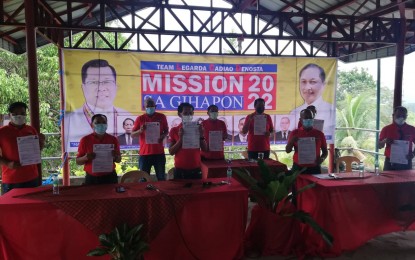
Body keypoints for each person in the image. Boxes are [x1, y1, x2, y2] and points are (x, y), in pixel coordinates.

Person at [65, 59, 130, 151]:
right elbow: (79, 160)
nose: (101, 88)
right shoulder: (69, 121)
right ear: (83, 88)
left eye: (107, 81)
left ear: (116, 86)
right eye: (93, 82)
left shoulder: (127, 116)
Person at [0, 102, 45, 195]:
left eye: (22, 113)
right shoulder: (2, 132)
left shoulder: (31, 130)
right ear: (9, 115)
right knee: (11, 209)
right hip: (11, 179)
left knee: (33, 208)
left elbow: (37, 150)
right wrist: (8, 164)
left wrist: (41, 143)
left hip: (32, 177)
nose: (19, 116)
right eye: (15, 114)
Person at [290, 63, 335, 137]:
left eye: (313, 82)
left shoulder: (330, 111)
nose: (307, 87)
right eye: (303, 82)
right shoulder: (294, 112)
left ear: (323, 84)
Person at [76, 114, 121, 185]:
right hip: (92, 178)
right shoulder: (85, 140)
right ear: (92, 125)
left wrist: (115, 156)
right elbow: (78, 161)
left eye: (104, 122)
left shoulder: (113, 139)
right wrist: (85, 158)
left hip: (110, 177)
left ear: (107, 125)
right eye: (97, 123)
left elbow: (118, 160)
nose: (101, 125)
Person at [132, 97, 169, 181]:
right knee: (143, 179)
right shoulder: (140, 119)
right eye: (148, 106)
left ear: (155, 106)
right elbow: (132, 135)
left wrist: (163, 136)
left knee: (161, 178)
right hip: (145, 154)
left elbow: (166, 131)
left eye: (152, 106)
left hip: (159, 153)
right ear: (144, 107)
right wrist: (140, 130)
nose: (150, 108)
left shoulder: (162, 117)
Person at [168, 102, 208, 179]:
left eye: (190, 113)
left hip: (196, 170)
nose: (188, 115)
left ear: (193, 114)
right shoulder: (174, 130)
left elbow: (205, 149)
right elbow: (171, 152)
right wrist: (180, 139)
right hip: (180, 171)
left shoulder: (198, 128)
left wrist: (201, 135)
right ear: (179, 114)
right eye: (185, 113)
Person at [286, 109, 328, 174]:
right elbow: (287, 151)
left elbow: (325, 152)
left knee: (315, 184)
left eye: (310, 118)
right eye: (306, 118)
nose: (308, 119)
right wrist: (291, 141)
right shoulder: (294, 133)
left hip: (314, 168)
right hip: (298, 168)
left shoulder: (320, 134)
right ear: (300, 120)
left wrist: (322, 159)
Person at [379, 106, 415, 170]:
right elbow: (379, 146)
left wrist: (413, 154)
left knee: (407, 180)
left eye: (404, 115)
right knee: (388, 180)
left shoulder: (412, 129)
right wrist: (384, 141)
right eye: (398, 115)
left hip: (406, 161)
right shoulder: (386, 129)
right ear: (393, 115)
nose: (401, 117)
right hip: (390, 162)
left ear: (406, 116)